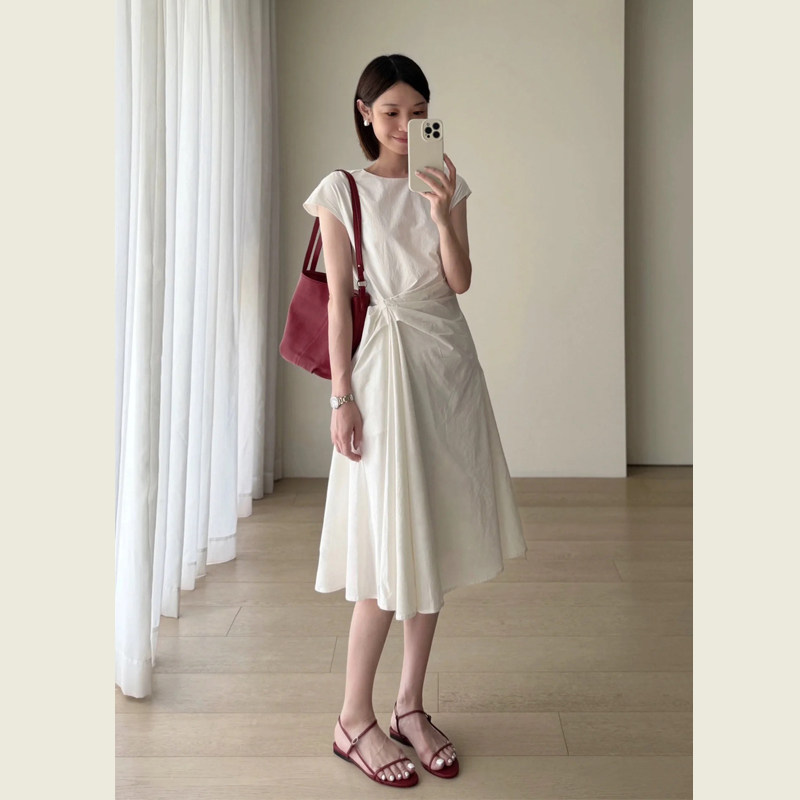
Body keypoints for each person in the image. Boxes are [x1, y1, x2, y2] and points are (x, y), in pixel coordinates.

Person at [302, 54, 528, 788]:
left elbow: (459, 280)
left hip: (447, 367)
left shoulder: (446, 180)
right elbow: (339, 306)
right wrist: (342, 397)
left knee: (432, 541)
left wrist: (440, 211)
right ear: (364, 113)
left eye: (418, 112)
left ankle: (409, 707)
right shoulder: (341, 190)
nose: (405, 125)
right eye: (391, 112)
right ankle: (352, 718)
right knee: (382, 548)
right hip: (382, 371)